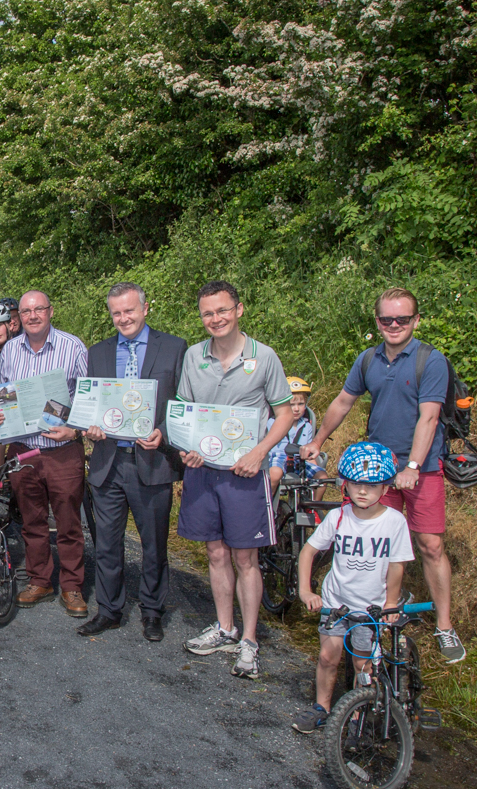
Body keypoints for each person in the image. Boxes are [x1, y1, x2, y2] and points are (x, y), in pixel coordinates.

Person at [300, 287, 465, 662]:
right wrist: (319, 439)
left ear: (416, 321)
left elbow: (429, 416)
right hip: (377, 468)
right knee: (369, 540)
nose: (394, 325)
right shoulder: (368, 359)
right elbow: (344, 400)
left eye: (402, 319)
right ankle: (374, 614)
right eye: (387, 319)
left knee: (430, 545)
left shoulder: (430, 361)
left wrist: (412, 467)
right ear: (377, 322)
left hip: (420, 467)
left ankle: (444, 625)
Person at [175, 280, 298, 678]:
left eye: (223, 310)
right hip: (203, 471)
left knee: (246, 557)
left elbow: (284, 413)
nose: (216, 319)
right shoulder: (194, 356)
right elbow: (185, 412)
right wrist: (184, 448)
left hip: (246, 473)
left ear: (239, 309)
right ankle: (224, 628)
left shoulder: (265, 357)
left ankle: (249, 641)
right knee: (214, 552)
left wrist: (260, 452)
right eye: (208, 313)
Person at [75, 283, 187, 641]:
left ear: (145, 308)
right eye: (116, 313)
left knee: (154, 544)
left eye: (130, 311)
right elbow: (91, 402)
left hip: (152, 462)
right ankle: (109, 610)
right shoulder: (100, 352)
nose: (123, 318)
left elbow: (184, 404)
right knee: (106, 543)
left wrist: (164, 433)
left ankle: (152, 611)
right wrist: (90, 426)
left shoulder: (174, 348)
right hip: (109, 461)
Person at [292, 442, 413, 733]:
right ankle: (322, 707)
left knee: (363, 664)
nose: (362, 491)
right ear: (345, 485)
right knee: (327, 656)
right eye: (356, 484)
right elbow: (308, 552)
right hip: (336, 602)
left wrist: (391, 602)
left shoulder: (394, 522)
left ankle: (357, 713)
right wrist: (306, 591)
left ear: (385, 489)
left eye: (371, 486)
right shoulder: (338, 517)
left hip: (370, 605)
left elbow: (397, 565)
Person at [0, 290, 90, 618]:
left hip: (62, 450)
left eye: (39, 310)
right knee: (32, 520)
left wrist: (73, 426)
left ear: (51, 311)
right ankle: (39, 580)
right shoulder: (9, 350)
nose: (33, 316)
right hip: (24, 450)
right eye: (26, 311)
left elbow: (86, 397)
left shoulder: (72, 347)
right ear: (17, 317)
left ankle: (72, 585)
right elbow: (5, 394)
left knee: (68, 521)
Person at [268, 376, 318, 490]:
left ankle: (313, 506)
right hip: (278, 457)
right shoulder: (272, 423)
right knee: (274, 474)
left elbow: (309, 449)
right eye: (291, 405)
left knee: (321, 477)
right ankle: (266, 504)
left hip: (301, 460)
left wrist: (313, 462)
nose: (296, 409)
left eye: (300, 404)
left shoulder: (307, 426)